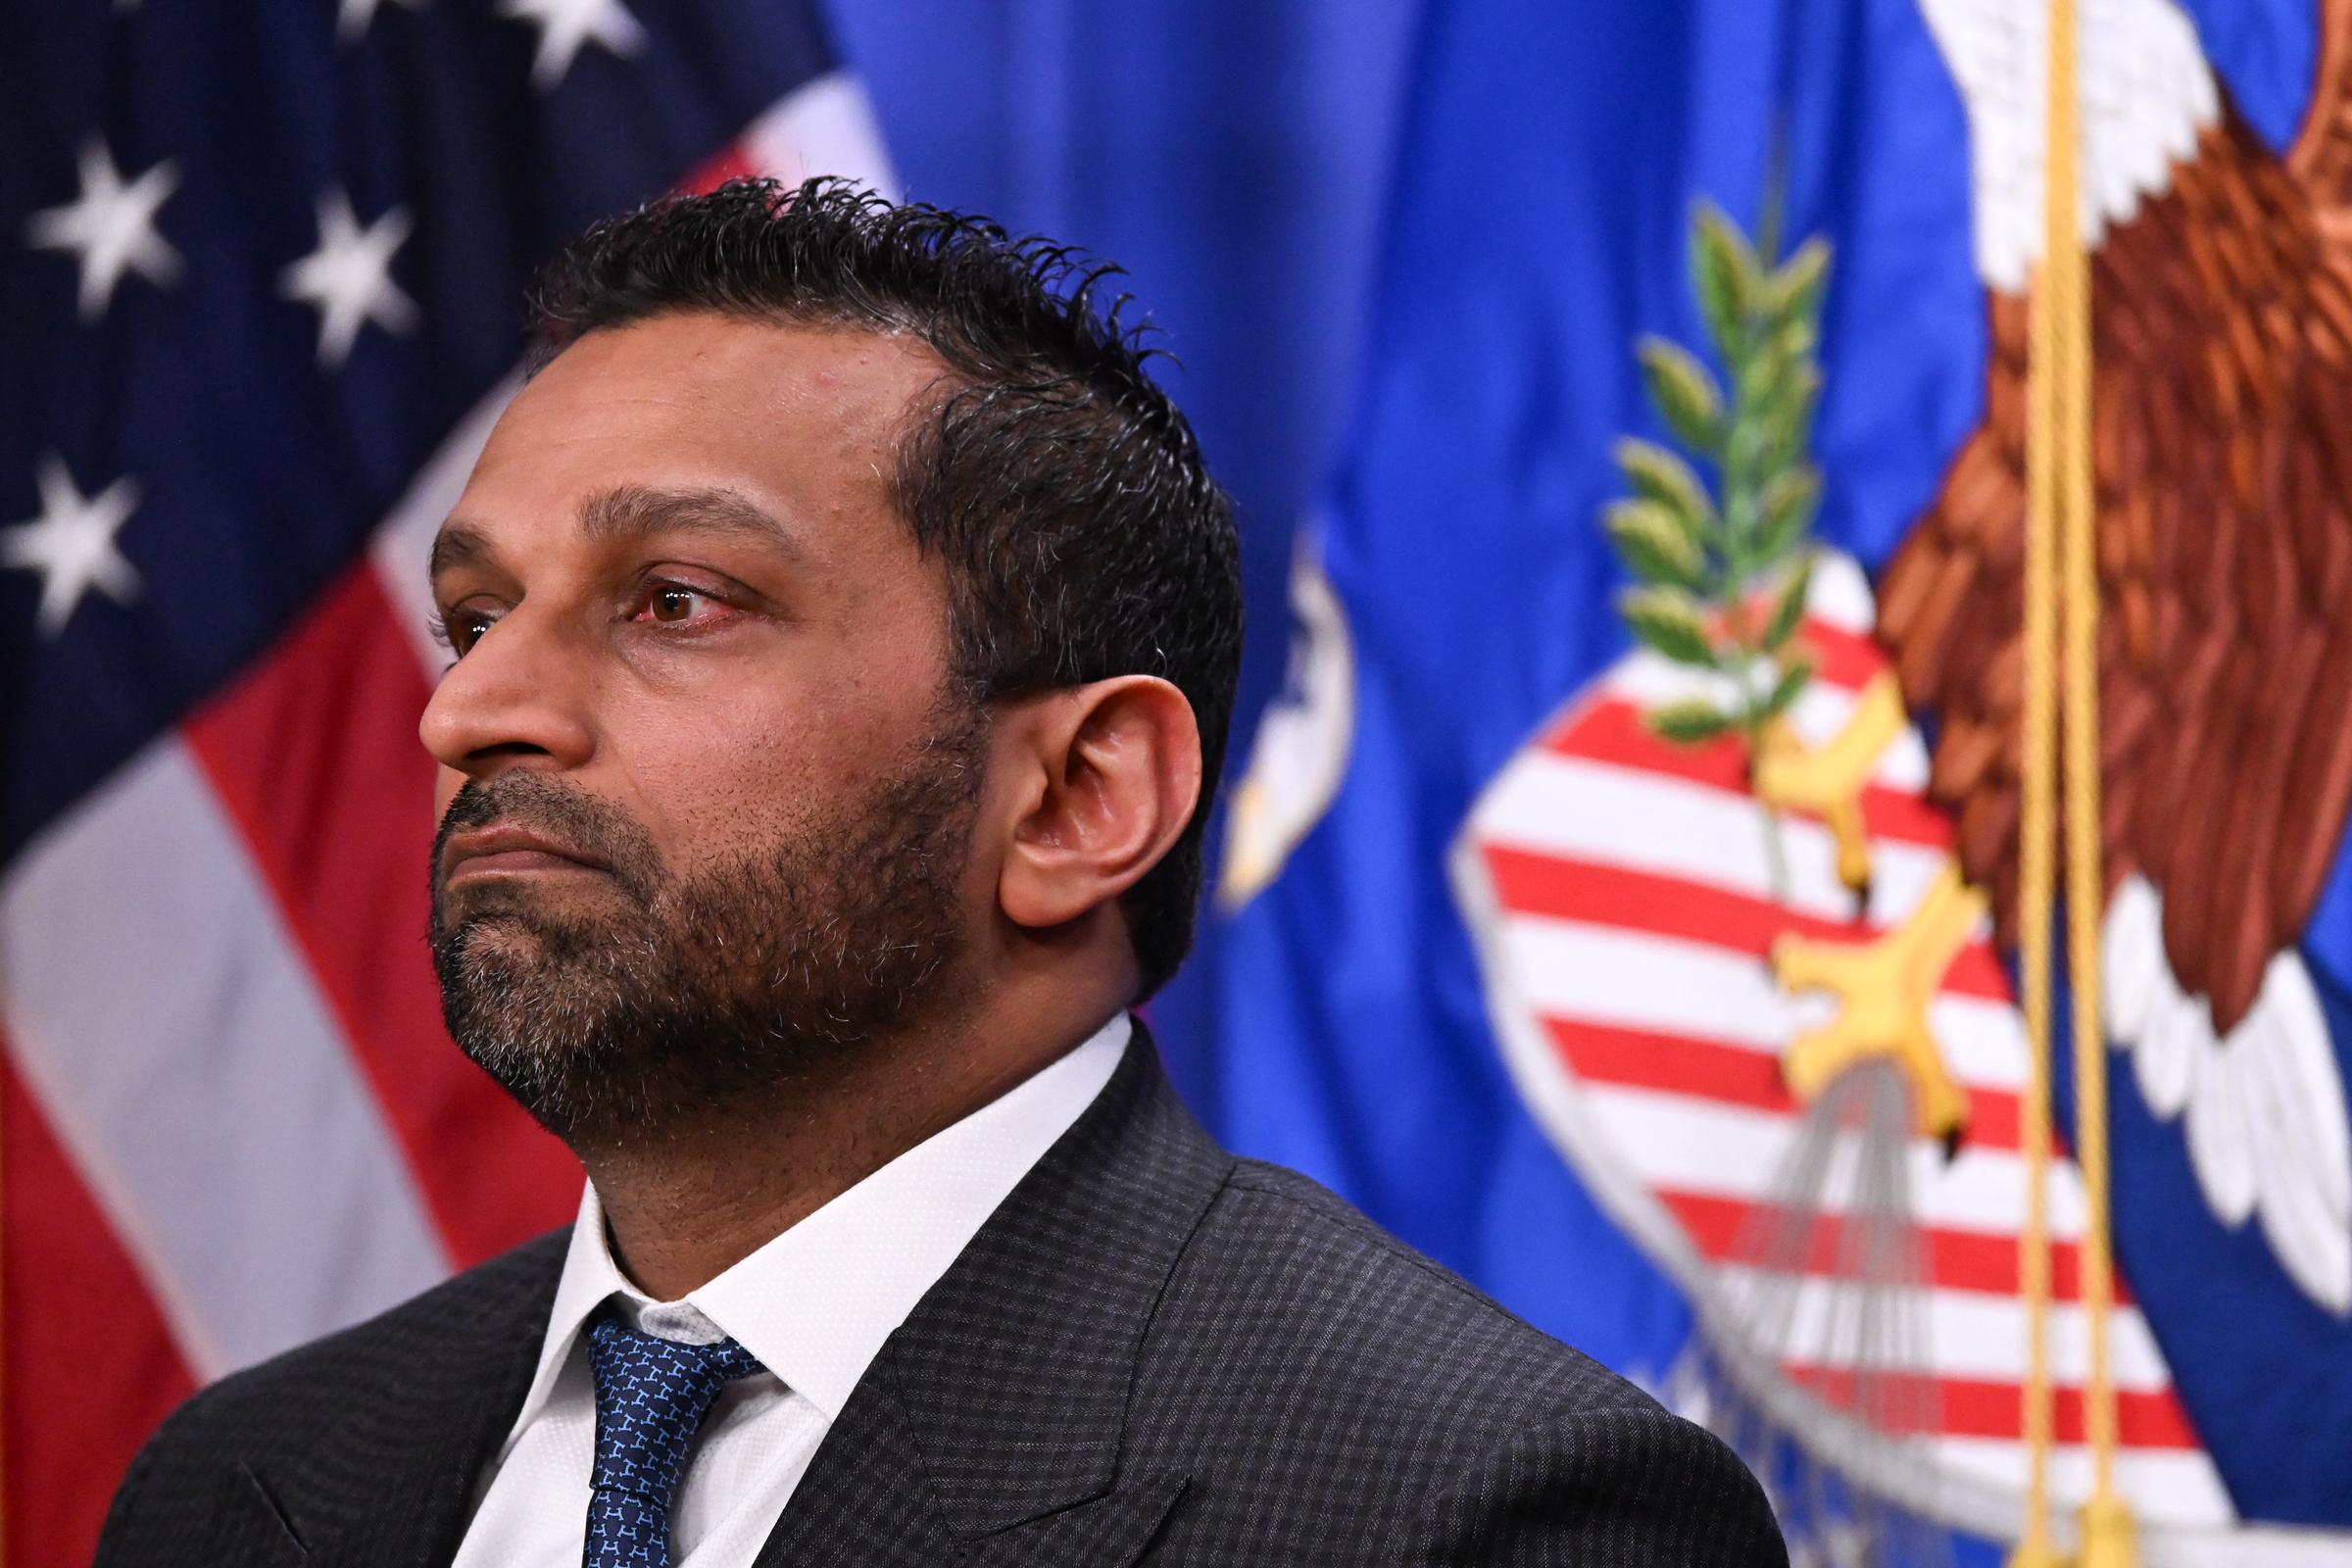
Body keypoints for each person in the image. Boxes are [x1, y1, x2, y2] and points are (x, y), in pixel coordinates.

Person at [92, 178, 1786, 1567]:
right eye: (475, 616)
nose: (470, 708)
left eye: (676, 599)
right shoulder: (240, 1486)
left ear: (1077, 797)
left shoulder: (1470, 1514)